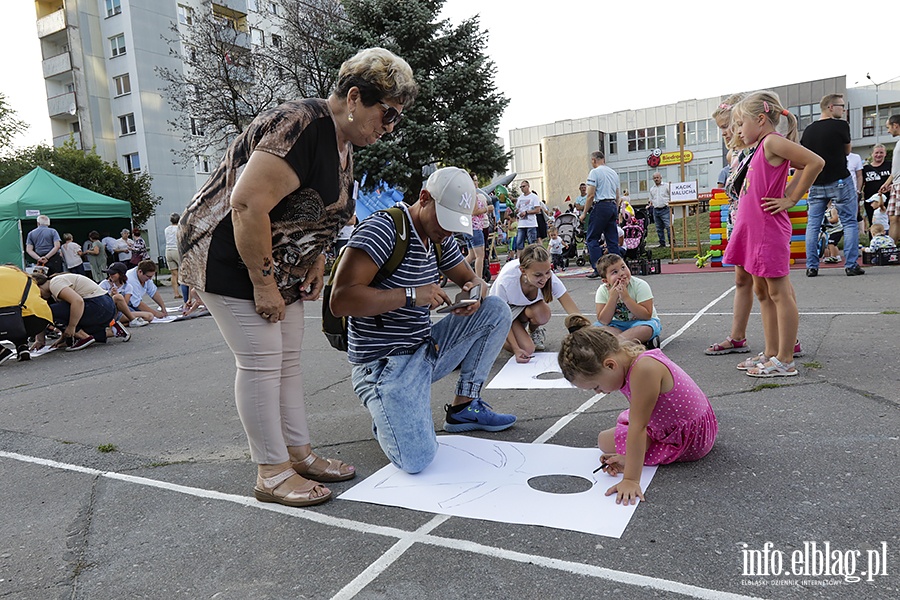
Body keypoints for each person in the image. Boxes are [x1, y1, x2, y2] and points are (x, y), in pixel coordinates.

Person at [178, 47, 416, 506]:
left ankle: (297, 454)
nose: (389, 128)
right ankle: (271, 471)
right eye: (387, 115)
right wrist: (264, 284)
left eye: (396, 120)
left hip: (278, 262)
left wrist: (318, 259)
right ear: (353, 97)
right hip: (227, 256)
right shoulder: (301, 125)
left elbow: (321, 213)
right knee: (262, 363)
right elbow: (247, 204)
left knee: (286, 362)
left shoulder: (345, 144)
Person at [330, 166, 516, 474]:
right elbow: (341, 300)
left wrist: (473, 293)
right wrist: (411, 294)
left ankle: (463, 407)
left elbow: (471, 279)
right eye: (444, 220)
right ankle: (388, 410)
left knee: (495, 309)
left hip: (424, 350)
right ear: (424, 197)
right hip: (385, 365)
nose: (448, 231)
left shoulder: (439, 237)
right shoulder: (384, 229)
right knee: (416, 460)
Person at [558, 315, 718, 505]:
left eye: (596, 386)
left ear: (610, 365)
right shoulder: (633, 362)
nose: (599, 392)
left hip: (690, 438)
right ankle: (637, 452)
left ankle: (642, 456)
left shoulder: (644, 369)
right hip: (676, 423)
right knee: (610, 436)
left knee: (605, 440)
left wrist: (631, 479)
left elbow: (638, 427)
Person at [724, 91, 824, 377]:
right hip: (753, 230)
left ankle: (785, 358)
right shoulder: (759, 147)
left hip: (768, 229)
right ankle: (770, 352)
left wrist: (791, 198)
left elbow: (815, 162)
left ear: (759, 119)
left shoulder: (773, 142)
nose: (739, 130)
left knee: (779, 293)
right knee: (761, 291)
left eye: (741, 123)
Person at [801, 94, 864, 277]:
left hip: (816, 182)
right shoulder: (841, 125)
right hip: (840, 181)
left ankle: (812, 266)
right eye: (841, 106)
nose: (843, 110)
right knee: (850, 222)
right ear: (830, 107)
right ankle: (851, 265)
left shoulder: (809, 131)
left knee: (813, 225)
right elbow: (847, 151)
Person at [489, 243, 583, 359]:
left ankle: (532, 332)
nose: (544, 279)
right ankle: (496, 337)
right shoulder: (506, 281)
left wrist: (583, 335)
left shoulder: (549, 277)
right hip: (505, 314)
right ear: (523, 271)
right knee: (527, 349)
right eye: (538, 275)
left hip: (524, 310)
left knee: (543, 313)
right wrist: (516, 349)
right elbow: (501, 318)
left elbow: (573, 310)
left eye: (548, 272)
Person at [30, 271, 117, 352]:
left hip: (97, 305)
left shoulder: (55, 283)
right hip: (106, 306)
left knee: (47, 310)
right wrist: (63, 338)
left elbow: (77, 301)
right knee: (68, 315)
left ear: (38, 287)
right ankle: (114, 330)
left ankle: (84, 337)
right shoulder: (56, 286)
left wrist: (72, 327)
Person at [593, 254, 661, 346]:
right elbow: (604, 320)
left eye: (623, 267)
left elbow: (646, 315)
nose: (622, 273)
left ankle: (616, 344)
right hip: (616, 325)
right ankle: (627, 342)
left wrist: (626, 298)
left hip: (641, 323)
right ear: (605, 281)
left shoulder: (640, 285)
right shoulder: (602, 290)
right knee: (595, 330)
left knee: (646, 329)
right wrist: (613, 298)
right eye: (615, 272)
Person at [0, 265, 52, 364]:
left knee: (12, 319)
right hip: (38, 318)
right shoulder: (25, 276)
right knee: (18, 320)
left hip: (6, 320)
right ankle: (22, 347)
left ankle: (1, 352)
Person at [582, 150, 621, 278]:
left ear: (594, 160)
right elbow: (617, 196)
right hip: (612, 206)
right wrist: (616, 209)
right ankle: (618, 267)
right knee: (612, 239)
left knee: (592, 238)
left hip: (601, 205)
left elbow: (591, 195)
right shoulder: (613, 173)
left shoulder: (594, 172)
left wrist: (584, 213)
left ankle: (598, 268)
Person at [100, 261, 152, 329]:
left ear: (121, 274)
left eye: (113, 273)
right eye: (109, 273)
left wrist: (118, 295)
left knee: (149, 316)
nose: (110, 275)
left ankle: (121, 324)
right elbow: (100, 301)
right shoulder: (104, 284)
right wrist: (111, 295)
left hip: (121, 312)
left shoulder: (127, 286)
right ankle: (130, 321)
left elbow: (125, 304)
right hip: (108, 311)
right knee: (117, 297)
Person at [463, 179, 491, 280]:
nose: (476, 182)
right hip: (475, 227)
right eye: (474, 180)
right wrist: (487, 209)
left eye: (476, 180)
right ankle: (479, 280)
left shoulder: (465, 194)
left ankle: (459, 271)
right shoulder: (472, 195)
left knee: (472, 255)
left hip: (468, 227)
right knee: (480, 255)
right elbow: (474, 211)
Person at [879, 114, 900, 244]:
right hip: (896, 185)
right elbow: (896, 169)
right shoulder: (898, 143)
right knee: (893, 218)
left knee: (895, 218)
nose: (888, 130)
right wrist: (887, 183)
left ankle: (891, 248)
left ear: (895, 125)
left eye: (888, 127)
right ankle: (891, 248)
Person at [862, 144, 891, 231]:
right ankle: (874, 242)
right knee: (873, 223)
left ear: (885, 154)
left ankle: (888, 242)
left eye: (881, 152)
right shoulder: (866, 168)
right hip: (871, 201)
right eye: (876, 153)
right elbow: (861, 183)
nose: (879, 155)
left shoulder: (890, 165)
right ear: (872, 154)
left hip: (888, 199)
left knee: (889, 223)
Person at [514, 180, 541, 256]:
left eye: (524, 186)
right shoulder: (520, 198)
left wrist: (526, 212)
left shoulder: (534, 197)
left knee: (531, 244)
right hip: (521, 223)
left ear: (528, 186)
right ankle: (519, 259)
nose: (522, 188)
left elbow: (538, 209)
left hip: (531, 223)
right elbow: (517, 208)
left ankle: (532, 258)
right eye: (521, 187)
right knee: (519, 243)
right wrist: (517, 211)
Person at [164, 213, 185, 301]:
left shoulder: (167, 229)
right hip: (177, 250)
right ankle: (186, 293)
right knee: (183, 272)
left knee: (174, 274)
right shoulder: (180, 228)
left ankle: (176, 293)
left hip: (168, 250)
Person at [648, 172, 671, 248]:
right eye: (654, 178)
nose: (656, 179)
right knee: (658, 228)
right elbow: (651, 200)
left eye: (657, 177)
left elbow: (671, 196)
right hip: (656, 209)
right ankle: (662, 243)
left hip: (665, 209)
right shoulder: (652, 189)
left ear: (661, 178)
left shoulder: (667, 186)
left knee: (668, 226)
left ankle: (672, 243)